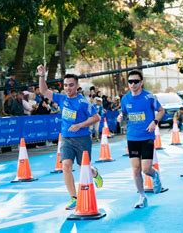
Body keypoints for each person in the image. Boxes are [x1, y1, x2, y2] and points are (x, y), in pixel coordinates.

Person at [37, 65, 103, 210]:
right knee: (66, 166)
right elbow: (43, 91)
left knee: (84, 168)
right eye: (65, 85)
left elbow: (96, 117)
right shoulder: (61, 98)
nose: (68, 88)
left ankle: (95, 173)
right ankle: (74, 198)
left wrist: (80, 125)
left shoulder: (84, 102)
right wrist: (42, 75)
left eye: (71, 85)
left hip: (82, 138)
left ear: (77, 86)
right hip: (66, 139)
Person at [118, 70, 165, 208]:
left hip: (147, 137)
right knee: (135, 169)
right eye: (130, 82)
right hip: (132, 137)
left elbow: (161, 111)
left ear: (141, 82)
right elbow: (124, 114)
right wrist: (121, 118)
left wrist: (154, 122)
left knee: (146, 169)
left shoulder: (149, 97)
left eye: (136, 81)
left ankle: (155, 176)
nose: (133, 84)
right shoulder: (125, 99)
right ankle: (142, 196)